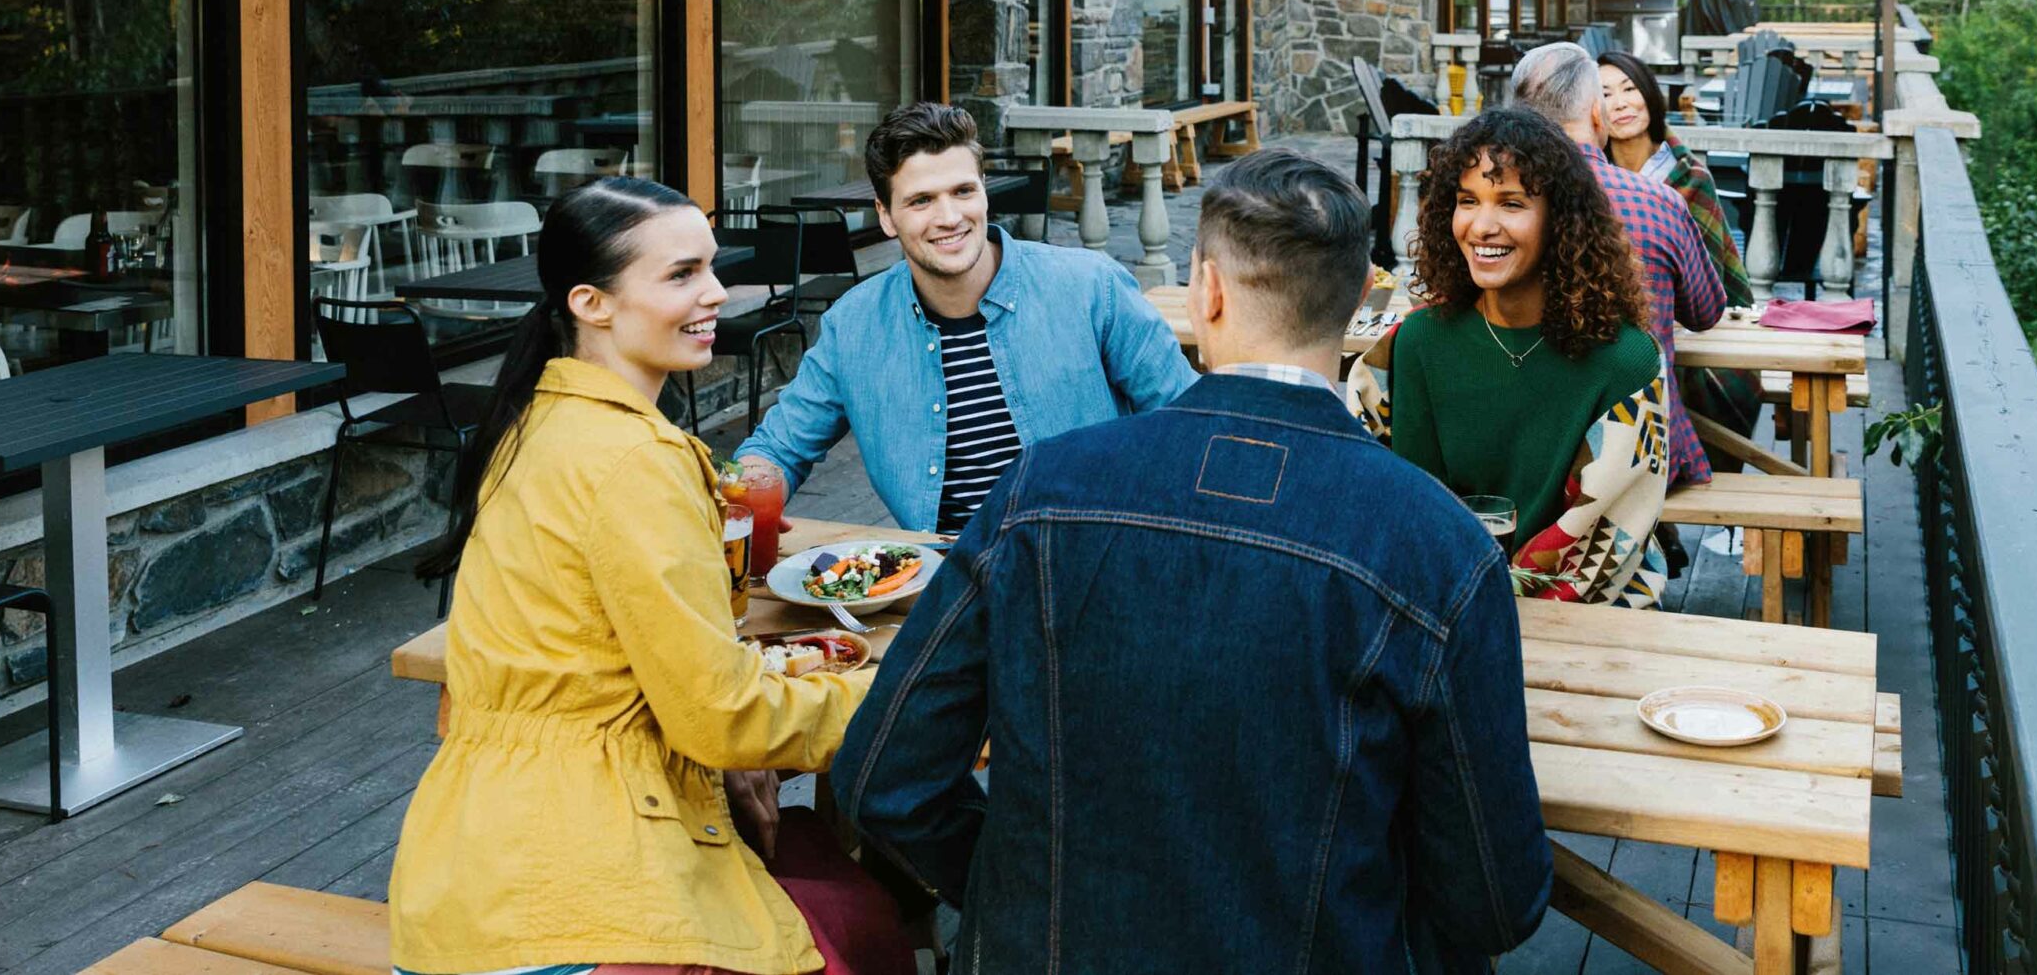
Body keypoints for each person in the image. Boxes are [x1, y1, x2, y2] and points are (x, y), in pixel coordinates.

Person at [831, 151, 1553, 974]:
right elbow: (1496, 898)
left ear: (1207, 290)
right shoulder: (1440, 543)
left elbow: (883, 774)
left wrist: (1022, 888)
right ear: (1359, 301)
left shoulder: (1038, 490)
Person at [388, 176, 912, 975]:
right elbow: (721, 715)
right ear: (591, 303)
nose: (716, 293)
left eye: (710, 266)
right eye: (680, 275)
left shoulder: (534, 418)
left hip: (463, 880)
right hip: (575, 909)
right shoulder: (635, 460)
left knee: (827, 886)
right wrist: (904, 686)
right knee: (861, 923)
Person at [736, 101, 1196, 532]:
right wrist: (744, 499)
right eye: (921, 201)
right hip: (943, 585)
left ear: (983, 192)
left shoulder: (1094, 288)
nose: (950, 217)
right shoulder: (853, 327)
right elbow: (776, 450)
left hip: (1088, 570)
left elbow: (1192, 421)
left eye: (963, 191)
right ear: (886, 216)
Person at [1382, 108, 1673, 607]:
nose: (1482, 225)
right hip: (1453, 605)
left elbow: (1609, 548)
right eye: (1467, 200)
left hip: (1593, 613)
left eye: (1511, 203)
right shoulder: (1420, 342)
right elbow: (1416, 514)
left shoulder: (1627, 361)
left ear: (1560, 220)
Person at [1509, 42, 1726, 488]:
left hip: (1522, 445)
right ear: (1596, 113)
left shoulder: (1488, 204)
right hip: (1643, 451)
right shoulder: (1660, 200)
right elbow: (1706, 313)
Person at [1598, 48, 1766, 445]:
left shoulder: (1689, 178)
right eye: (1604, 95)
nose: (1620, 103)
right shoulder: (1589, 180)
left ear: (1650, 97)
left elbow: (1711, 281)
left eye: (1629, 88)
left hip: (1687, 328)